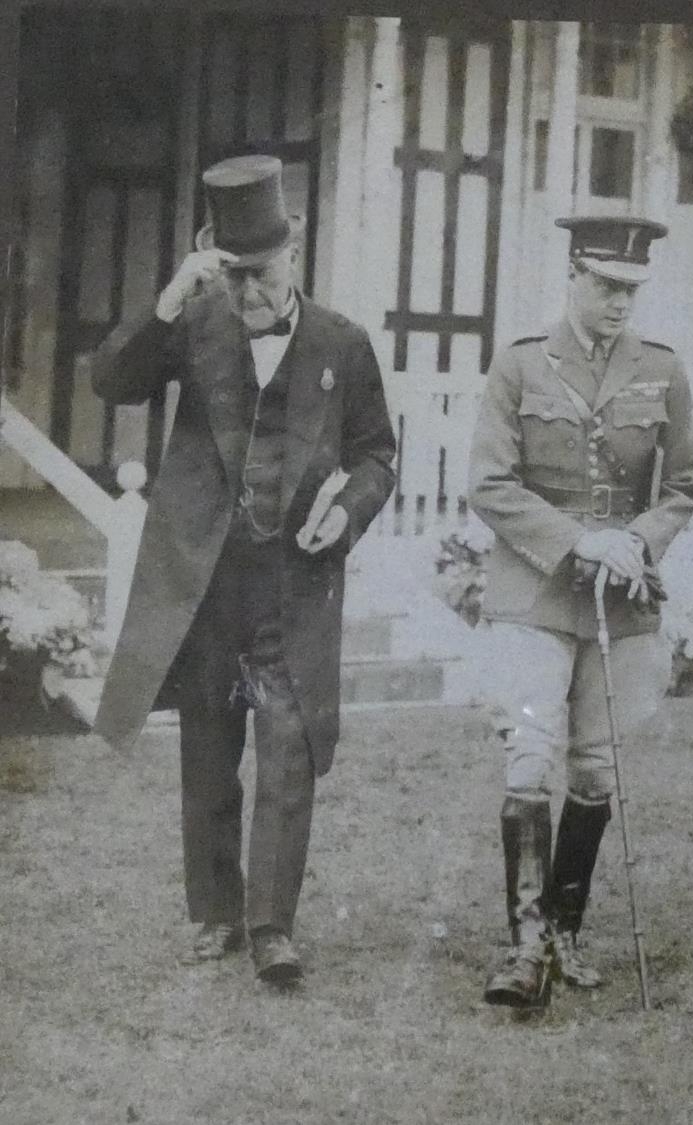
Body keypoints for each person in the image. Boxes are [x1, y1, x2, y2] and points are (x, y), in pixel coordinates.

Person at [91, 154, 397, 985]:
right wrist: (171, 297)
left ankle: (272, 925)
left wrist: (348, 511)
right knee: (209, 745)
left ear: (293, 255)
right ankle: (214, 913)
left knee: (289, 744)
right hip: (206, 580)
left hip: (294, 580)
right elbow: (111, 381)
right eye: (232, 277)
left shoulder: (343, 343)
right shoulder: (197, 326)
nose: (249, 293)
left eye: (259, 275)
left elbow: (377, 455)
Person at [468, 216, 693, 1009]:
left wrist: (637, 540)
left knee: (597, 767)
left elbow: (683, 486)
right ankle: (525, 946)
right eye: (605, 285)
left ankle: (567, 930)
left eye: (630, 289)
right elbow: (492, 484)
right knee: (531, 756)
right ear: (573, 275)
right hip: (536, 588)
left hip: (622, 596)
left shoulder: (663, 370)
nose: (618, 302)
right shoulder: (521, 364)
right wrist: (578, 542)